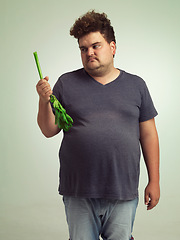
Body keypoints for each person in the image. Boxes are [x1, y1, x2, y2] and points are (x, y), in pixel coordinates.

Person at [36, 10, 160, 240]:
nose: (89, 53)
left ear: (112, 47)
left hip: (123, 189)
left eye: (95, 46)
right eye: (83, 49)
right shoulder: (66, 83)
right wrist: (44, 102)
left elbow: (149, 135)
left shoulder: (137, 85)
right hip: (79, 192)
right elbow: (49, 130)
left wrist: (154, 180)